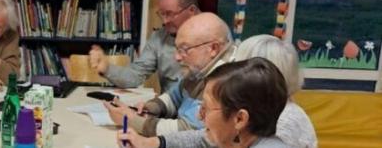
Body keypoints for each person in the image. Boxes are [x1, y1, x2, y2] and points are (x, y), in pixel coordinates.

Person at [134, 35, 317, 148]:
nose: (200, 116)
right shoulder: (249, 131)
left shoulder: (282, 124)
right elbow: (205, 138)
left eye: (239, 64)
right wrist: (155, 143)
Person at [105, 13, 235, 136]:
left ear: (213, 49)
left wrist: (133, 121)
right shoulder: (201, 68)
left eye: (184, 49)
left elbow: (188, 132)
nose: (177, 57)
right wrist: (149, 108)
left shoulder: (227, 81)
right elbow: (174, 97)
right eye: (177, 49)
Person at [118, 58, 292, 148]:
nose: (199, 116)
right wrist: (148, 143)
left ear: (239, 119)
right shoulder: (238, 138)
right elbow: (201, 139)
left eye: (205, 109)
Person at [89, 0, 200, 92]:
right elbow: (135, 75)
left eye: (170, 14)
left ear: (191, 11)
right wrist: (107, 68)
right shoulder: (159, 38)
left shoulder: (213, 36)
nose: (164, 21)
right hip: (166, 107)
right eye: (162, 14)